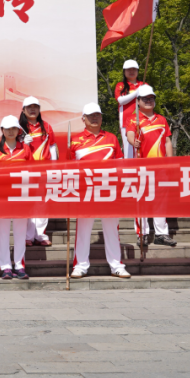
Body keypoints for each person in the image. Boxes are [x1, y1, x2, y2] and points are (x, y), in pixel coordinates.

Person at [69, 103, 131, 279]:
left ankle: (116, 265)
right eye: (90, 116)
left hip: (108, 189)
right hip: (85, 191)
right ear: (83, 119)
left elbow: (120, 163)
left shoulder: (111, 138)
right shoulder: (75, 140)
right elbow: (69, 168)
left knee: (111, 228)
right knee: (83, 229)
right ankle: (80, 265)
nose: (94, 118)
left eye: (97, 115)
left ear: (102, 117)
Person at [124, 85, 177, 247]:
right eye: (145, 99)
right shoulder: (133, 119)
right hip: (142, 166)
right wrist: (135, 142)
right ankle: (143, 233)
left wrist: (170, 161)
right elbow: (129, 135)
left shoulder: (161, 119)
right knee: (142, 200)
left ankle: (161, 234)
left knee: (160, 200)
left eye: (151, 98)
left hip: (160, 167)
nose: (148, 101)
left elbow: (167, 141)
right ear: (138, 101)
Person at [0, 115, 30, 280]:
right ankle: (6, 266)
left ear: (18, 130)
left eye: (13, 128)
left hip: (21, 196)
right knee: (4, 233)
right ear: (2, 131)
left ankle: (19, 265)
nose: (10, 131)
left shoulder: (25, 149)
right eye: (7, 129)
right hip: (2, 197)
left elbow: (33, 171)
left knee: (20, 233)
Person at [19, 96, 56, 247]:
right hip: (26, 170)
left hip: (43, 170)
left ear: (39, 109)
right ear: (23, 110)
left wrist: (53, 167)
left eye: (35, 106)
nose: (33, 109)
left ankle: (40, 234)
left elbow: (52, 147)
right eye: (29, 107)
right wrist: (22, 142)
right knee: (28, 203)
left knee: (42, 203)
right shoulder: (18, 127)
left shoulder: (46, 126)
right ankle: (27, 235)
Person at [114, 59, 146, 157]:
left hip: (143, 121)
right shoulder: (121, 85)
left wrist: (142, 90)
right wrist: (137, 92)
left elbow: (152, 102)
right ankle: (130, 170)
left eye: (134, 69)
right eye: (129, 70)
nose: (131, 72)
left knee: (144, 145)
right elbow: (121, 100)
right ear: (124, 72)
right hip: (126, 122)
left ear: (137, 71)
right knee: (129, 149)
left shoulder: (144, 85)